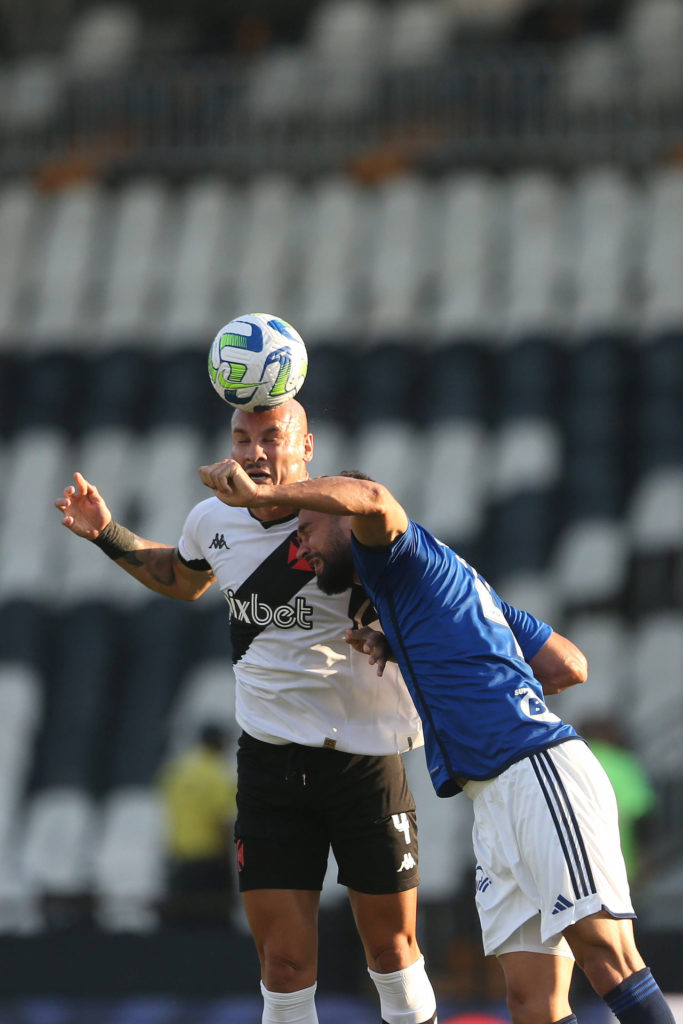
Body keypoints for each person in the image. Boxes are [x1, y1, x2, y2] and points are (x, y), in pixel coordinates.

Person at [198, 461, 676, 1024]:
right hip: (494, 798)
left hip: (533, 766)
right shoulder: (438, 587)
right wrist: (425, 650)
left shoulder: (396, 555)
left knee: (606, 953)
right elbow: (569, 664)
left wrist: (266, 491)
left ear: (345, 516)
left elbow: (374, 495)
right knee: (532, 1000)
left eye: (307, 522)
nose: (298, 539)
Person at [54, 398, 437, 1024]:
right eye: (241, 438)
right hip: (271, 763)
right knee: (283, 964)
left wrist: (279, 499)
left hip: (366, 758)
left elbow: (374, 498)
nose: (255, 453)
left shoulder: (345, 516)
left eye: (271, 437)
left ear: (307, 445)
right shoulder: (212, 520)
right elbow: (183, 578)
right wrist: (107, 533)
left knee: (391, 952)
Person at [158, 721, 237, 926]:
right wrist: (230, 863)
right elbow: (223, 822)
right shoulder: (217, 775)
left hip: (179, 860)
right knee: (213, 924)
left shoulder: (176, 772)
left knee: (182, 924)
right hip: (209, 862)